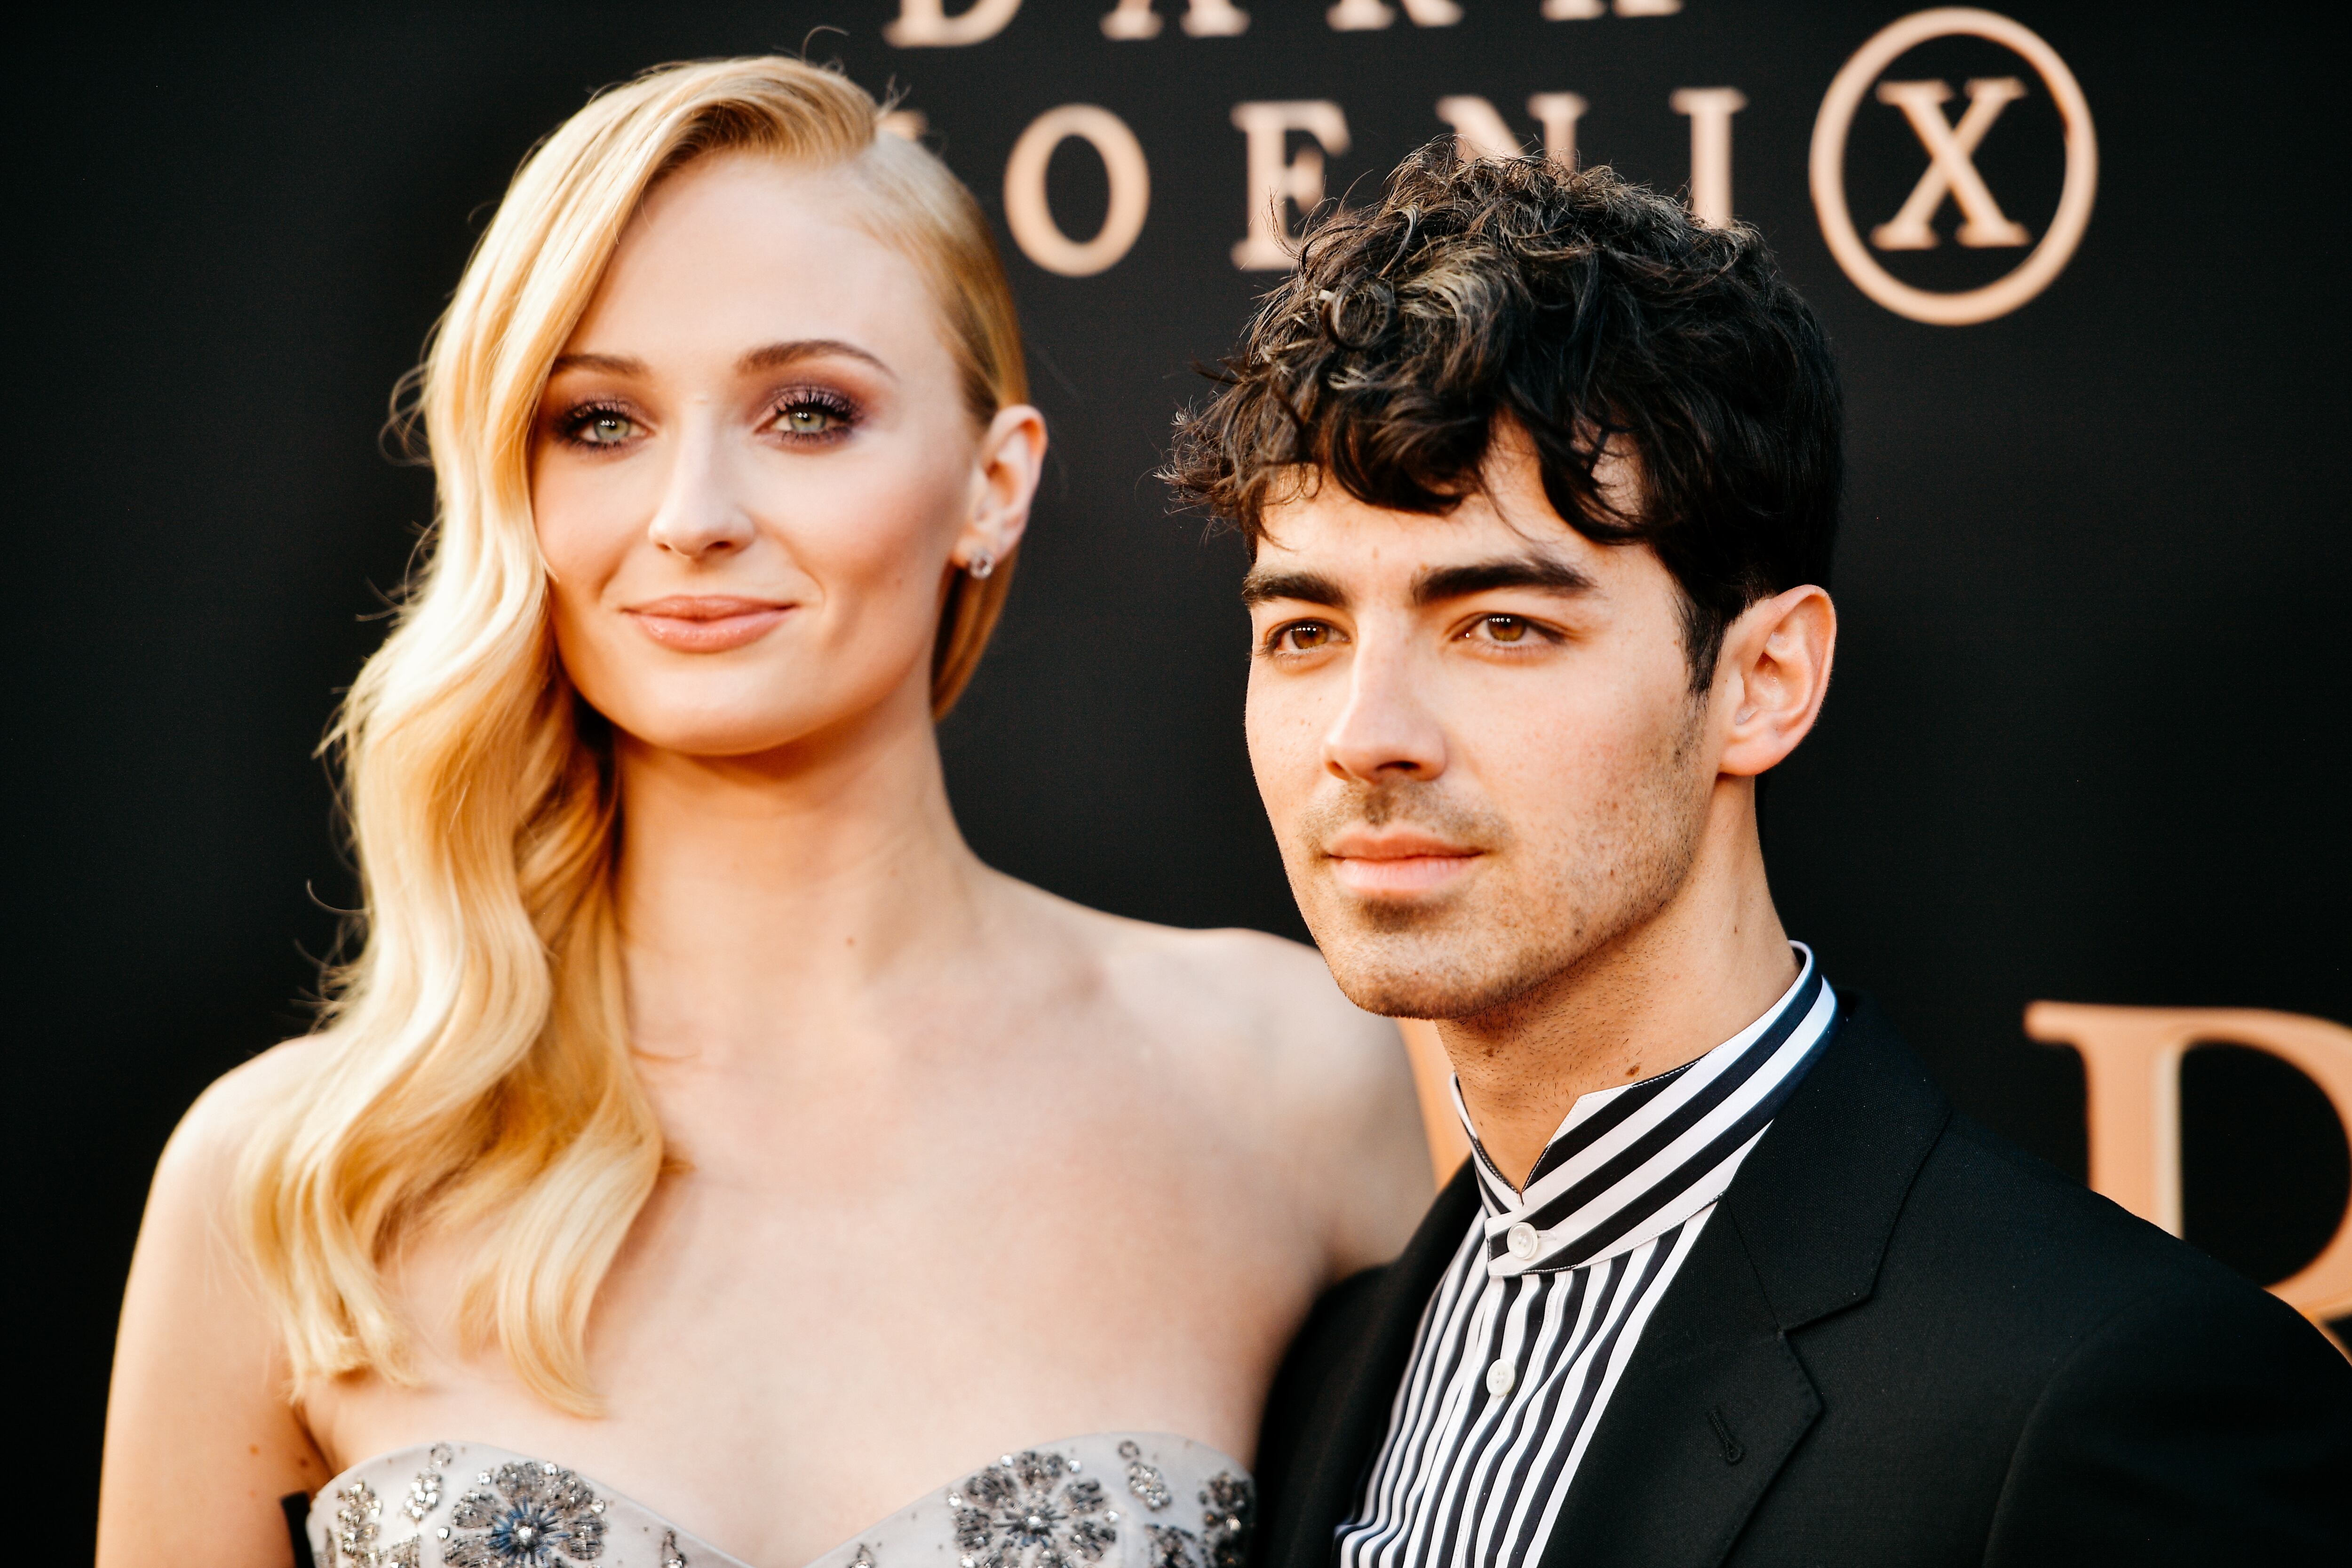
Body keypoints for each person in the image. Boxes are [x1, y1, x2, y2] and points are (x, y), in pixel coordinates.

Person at [97, 58, 1435, 1568]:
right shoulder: (291, 1178)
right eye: (598, 423)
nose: (692, 514)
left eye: (807, 412)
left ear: (995, 486)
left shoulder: (1305, 1078)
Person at [1166, 145, 2352, 1564]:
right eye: (1305, 632)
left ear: (1764, 680)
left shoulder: (2109, 1391)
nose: (1365, 736)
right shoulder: (1321, 1374)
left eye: (1501, 624)